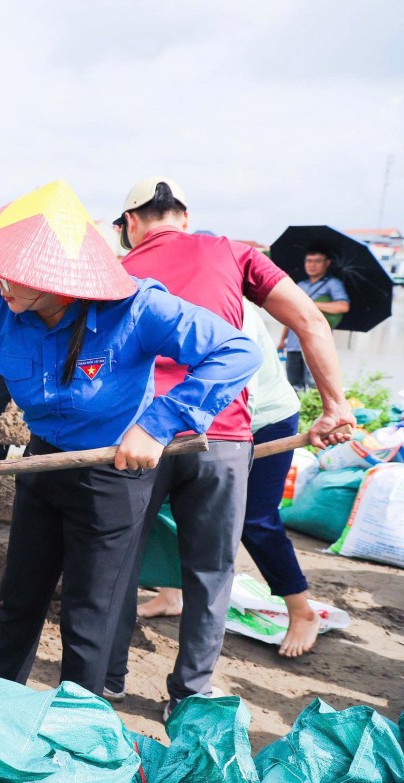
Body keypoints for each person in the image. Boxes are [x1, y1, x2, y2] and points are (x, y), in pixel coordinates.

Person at [0, 180, 260, 697]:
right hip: (43, 465)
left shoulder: (136, 308)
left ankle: (77, 724)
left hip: (112, 474)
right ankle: (0, 701)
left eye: (12, 276)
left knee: (90, 611)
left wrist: (159, 423)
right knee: (21, 599)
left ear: (58, 280)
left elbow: (237, 352)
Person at [104, 178, 354, 718]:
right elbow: (309, 319)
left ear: (129, 224)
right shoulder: (234, 251)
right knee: (212, 571)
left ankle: (107, 680)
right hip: (222, 435)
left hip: (139, 438)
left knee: (119, 562)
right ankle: (189, 694)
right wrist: (334, 405)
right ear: (185, 217)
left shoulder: (115, 272)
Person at [136, 300, 320, 658]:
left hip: (264, 420)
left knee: (255, 518)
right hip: (208, 421)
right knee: (174, 501)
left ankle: (302, 611)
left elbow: (238, 385)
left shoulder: (231, 308)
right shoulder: (167, 300)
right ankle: (171, 593)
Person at [277, 248, 349, 391]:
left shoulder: (332, 284)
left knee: (314, 385)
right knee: (292, 385)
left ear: (327, 263)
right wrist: (282, 340)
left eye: (317, 261)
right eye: (309, 261)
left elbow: (342, 306)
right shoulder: (299, 285)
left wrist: (311, 304)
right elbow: (290, 314)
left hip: (317, 342)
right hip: (293, 342)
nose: (312, 265)